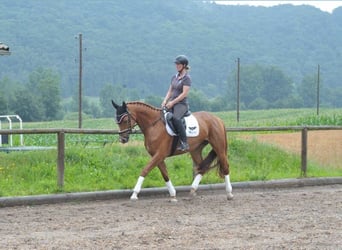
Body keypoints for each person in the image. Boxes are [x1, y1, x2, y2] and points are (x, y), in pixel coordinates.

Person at [162, 55, 191, 151]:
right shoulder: (174, 77)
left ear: (184, 65)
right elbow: (170, 91)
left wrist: (172, 102)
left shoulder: (187, 78)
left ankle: (184, 142)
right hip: (172, 103)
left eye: (178, 64)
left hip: (181, 104)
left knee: (176, 118)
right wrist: (165, 101)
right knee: (161, 115)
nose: (176, 66)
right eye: (176, 64)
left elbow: (184, 94)